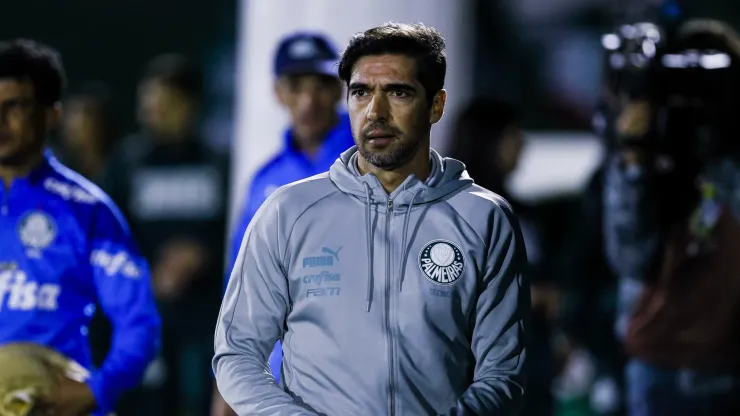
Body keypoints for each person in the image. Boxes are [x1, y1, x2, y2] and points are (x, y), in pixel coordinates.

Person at [214, 22, 530, 415]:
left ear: (436, 105)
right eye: (361, 92)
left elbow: (504, 372)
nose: (375, 112)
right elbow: (237, 353)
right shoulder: (287, 211)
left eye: (398, 92)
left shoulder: (485, 218)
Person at [0, 39, 160, 415]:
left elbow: (139, 322)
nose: (0, 122)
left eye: (15, 107)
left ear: (52, 114)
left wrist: (97, 389)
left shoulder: (87, 210)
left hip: (51, 403)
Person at [211, 31, 353, 416]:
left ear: (339, 90)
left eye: (320, 85)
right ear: (279, 92)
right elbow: (240, 286)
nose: (308, 100)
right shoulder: (264, 180)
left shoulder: (374, 163)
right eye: (295, 85)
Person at [605, 19, 740, 415]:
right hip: (661, 369)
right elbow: (629, 258)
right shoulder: (647, 159)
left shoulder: (731, 159)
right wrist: (635, 154)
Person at [101, 54, 229, 416]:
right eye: (149, 103)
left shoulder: (218, 163)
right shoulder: (127, 163)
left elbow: (241, 233)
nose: (152, 112)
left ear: (191, 105)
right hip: (144, 320)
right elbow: (104, 237)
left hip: (205, 323)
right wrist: (145, 272)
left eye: (165, 103)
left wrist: (202, 254)